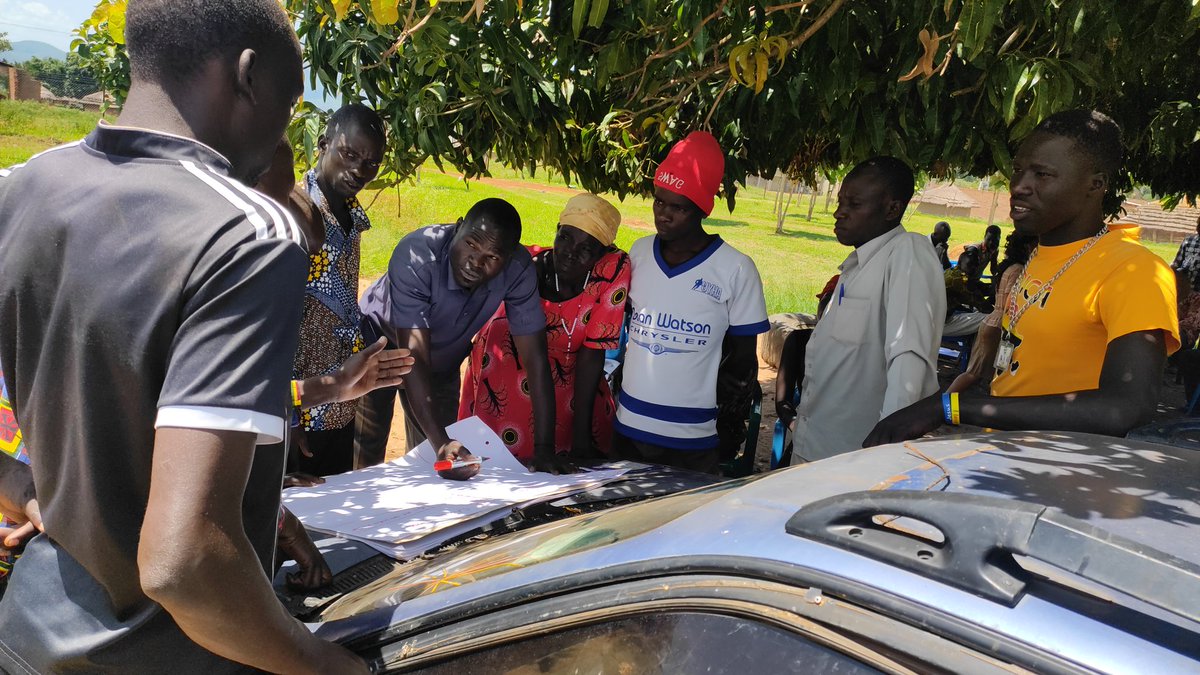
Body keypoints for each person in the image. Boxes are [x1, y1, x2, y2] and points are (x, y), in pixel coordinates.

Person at [0, 1, 368, 671]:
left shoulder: (25, 189)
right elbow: (184, 564)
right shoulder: (247, 232)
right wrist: (329, 666)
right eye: (289, 104)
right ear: (249, 75)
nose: (282, 131)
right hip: (160, 653)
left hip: (29, 629)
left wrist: (32, 491)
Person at [867, 109, 1179, 445]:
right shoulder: (1041, 257)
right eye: (1018, 170)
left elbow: (1126, 407)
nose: (1019, 187)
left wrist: (952, 407)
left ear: (1096, 184)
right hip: (1008, 460)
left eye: (1042, 174)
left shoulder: (1134, 271)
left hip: (1065, 477)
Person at [358, 198, 565, 474]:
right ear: (458, 228)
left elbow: (535, 358)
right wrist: (442, 443)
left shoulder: (518, 270)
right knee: (366, 453)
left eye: (492, 257)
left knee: (431, 465)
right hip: (379, 346)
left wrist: (544, 450)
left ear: (508, 257)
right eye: (471, 244)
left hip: (442, 361)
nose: (475, 263)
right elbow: (413, 357)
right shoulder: (417, 256)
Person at [613, 131, 769, 474]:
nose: (663, 215)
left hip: (692, 439)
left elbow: (741, 362)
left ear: (701, 209)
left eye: (678, 207)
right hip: (628, 427)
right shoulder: (639, 252)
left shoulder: (735, 269)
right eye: (659, 201)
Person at [789, 156, 946, 463]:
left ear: (891, 209)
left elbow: (909, 358)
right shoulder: (859, 267)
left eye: (854, 204)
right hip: (817, 448)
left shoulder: (906, 253)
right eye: (840, 202)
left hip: (856, 460)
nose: (838, 213)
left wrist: (886, 453)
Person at [460, 194, 631, 464]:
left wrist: (581, 440)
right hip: (498, 389)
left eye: (586, 248)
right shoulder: (521, 264)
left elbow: (593, 353)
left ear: (602, 254)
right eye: (565, 238)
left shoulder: (610, 274)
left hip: (570, 402)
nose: (570, 252)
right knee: (490, 471)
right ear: (556, 231)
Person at [291, 104, 387, 476]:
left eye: (371, 163)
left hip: (342, 400)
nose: (359, 171)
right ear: (323, 143)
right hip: (301, 404)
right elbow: (278, 322)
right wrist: (293, 417)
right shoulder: (299, 214)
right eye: (350, 154)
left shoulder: (351, 215)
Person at [948, 232, 1037, 393]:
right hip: (999, 326)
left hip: (993, 323)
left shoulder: (1009, 267)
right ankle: (945, 402)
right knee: (977, 374)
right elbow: (1010, 302)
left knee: (982, 374)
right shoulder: (1018, 270)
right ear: (1027, 247)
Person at [942, 246, 993, 338]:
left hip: (934, 318)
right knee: (990, 318)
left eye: (975, 265)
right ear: (960, 262)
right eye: (970, 265)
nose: (973, 268)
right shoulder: (962, 281)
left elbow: (980, 288)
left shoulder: (952, 271)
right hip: (938, 325)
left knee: (974, 311)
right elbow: (986, 308)